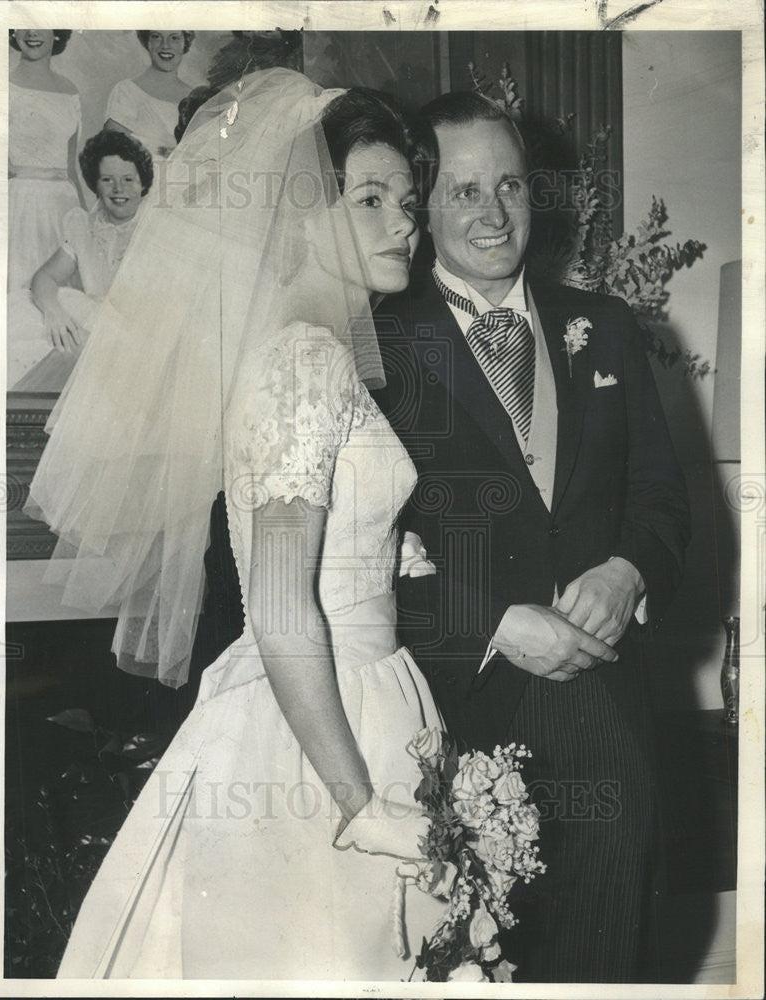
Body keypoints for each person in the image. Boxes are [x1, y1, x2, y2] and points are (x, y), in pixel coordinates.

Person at [27, 69, 446, 980]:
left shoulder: (301, 349)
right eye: (367, 199)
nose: (403, 221)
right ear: (299, 216)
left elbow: (290, 531)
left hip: (334, 691)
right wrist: (357, 803)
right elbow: (281, 607)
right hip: (323, 724)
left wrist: (376, 544)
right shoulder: (304, 358)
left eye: (407, 200)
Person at [368, 92, 691, 982]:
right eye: (465, 190)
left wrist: (627, 571)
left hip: (603, 714)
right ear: (422, 205)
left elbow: (662, 498)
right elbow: (342, 565)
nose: (494, 213)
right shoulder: (372, 345)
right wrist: (492, 625)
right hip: (445, 713)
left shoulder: (609, 329)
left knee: (605, 946)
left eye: (509, 185)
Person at [8, 130, 153, 391]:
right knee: (22, 332)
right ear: (94, 184)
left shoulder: (156, 228)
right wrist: (54, 311)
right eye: (107, 180)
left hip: (138, 333)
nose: (118, 189)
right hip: (91, 320)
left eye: (128, 179)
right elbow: (45, 277)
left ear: (143, 184)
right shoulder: (83, 224)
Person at [8, 29, 84, 292]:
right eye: (24, 24)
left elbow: (71, 168)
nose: (31, 32)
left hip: (63, 204)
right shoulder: (1, 86)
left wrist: (85, 219)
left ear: (57, 33)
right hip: (18, 206)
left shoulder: (70, 91)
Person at [105, 31, 194, 161]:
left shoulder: (194, 97)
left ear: (185, 43)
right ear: (147, 42)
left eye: (174, 38)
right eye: (156, 37)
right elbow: (112, 147)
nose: (165, 46)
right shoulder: (126, 91)